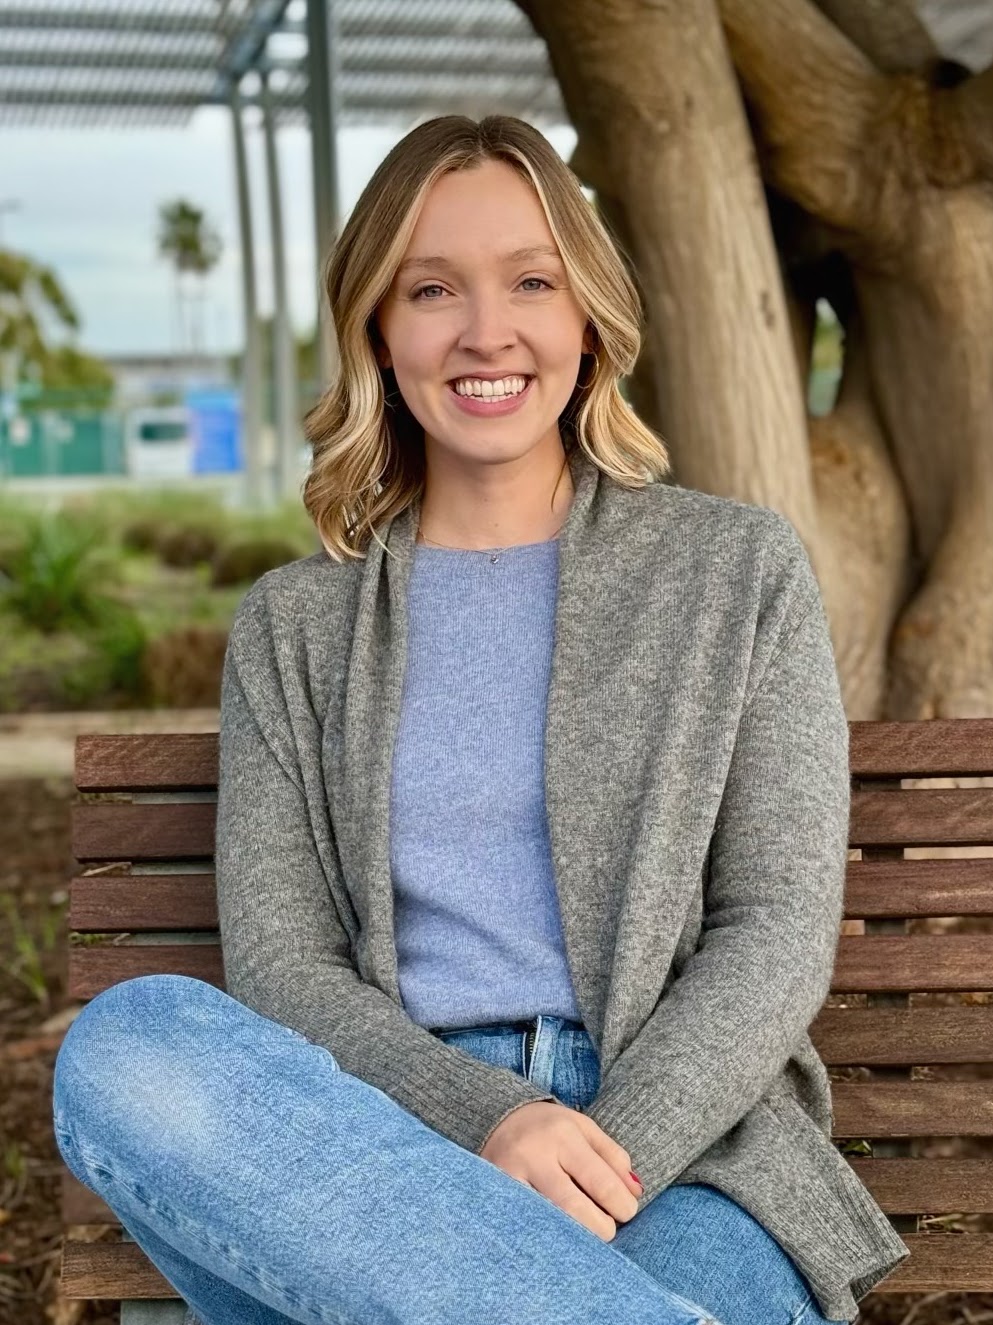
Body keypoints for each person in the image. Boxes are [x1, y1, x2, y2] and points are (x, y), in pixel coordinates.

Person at [52, 114, 910, 1325]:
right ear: (378, 330)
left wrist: (594, 1157)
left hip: (685, 1153)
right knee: (128, 1047)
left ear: (585, 316)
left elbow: (774, 931)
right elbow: (284, 965)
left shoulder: (736, 573)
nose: (485, 330)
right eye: (433, 289)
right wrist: (488, 1126)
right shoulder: (296, 628)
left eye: (531, 282)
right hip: (382, 1143)